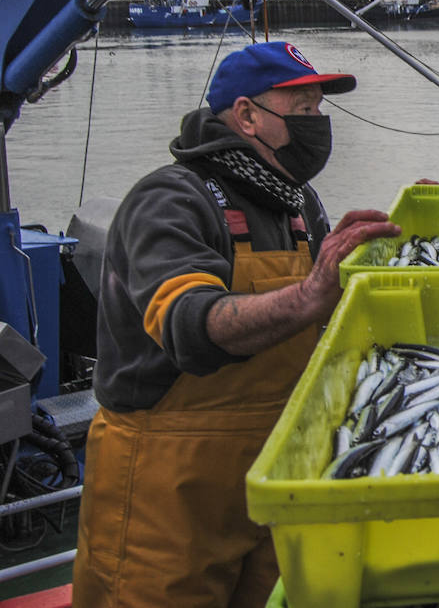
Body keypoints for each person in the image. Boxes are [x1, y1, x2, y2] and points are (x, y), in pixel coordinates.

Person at [71, 41, 401, 607]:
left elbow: (325, 311)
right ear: (247, 115)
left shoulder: (297, 205)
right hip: (168, 492)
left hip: (274, 475)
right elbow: (190, 325)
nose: (317, 126)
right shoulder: (170, 199)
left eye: (320, 111)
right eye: (303, 112)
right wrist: (307, 295)